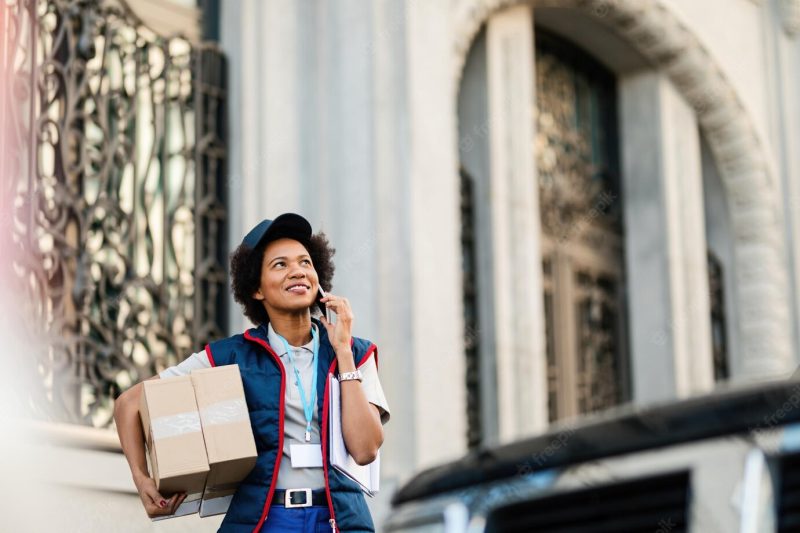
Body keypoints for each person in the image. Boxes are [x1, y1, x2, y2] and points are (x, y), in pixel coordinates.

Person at [113, 213, 390, 533]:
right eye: (280, 265)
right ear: (256, 288)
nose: (297, 271)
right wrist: (141, 476)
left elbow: (366, 449)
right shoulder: (232, 356)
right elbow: (128, 403)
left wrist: (342, 352)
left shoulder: (356, 352)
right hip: (267, 521)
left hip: (340, 521)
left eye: (305, 262)